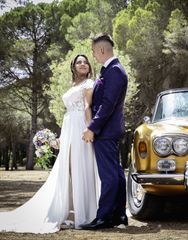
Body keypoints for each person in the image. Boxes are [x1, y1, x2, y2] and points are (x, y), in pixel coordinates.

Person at [0, 54, 100, 233]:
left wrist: (90, 129)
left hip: (81, 126)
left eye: (85, 62)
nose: (83, 64)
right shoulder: (74, 85)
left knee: (80, 167)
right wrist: (62, 138)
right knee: (67, 169)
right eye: (79, 62)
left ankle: (86, 214)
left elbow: (87, 106)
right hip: (70, 125)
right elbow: (69, 113)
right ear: (74, 67)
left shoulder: (88, 84)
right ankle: (71, 210)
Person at [81, 33, 128, 230]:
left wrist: (92, 128)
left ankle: (104, 217)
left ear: (101, 50)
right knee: (116, 173)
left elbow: (108, 104)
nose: (93, 55)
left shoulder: (115, 71)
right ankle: (118, 215)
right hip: (109, 130)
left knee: (108, 175)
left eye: (93, 51)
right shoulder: (110, 70)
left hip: (106, 131)